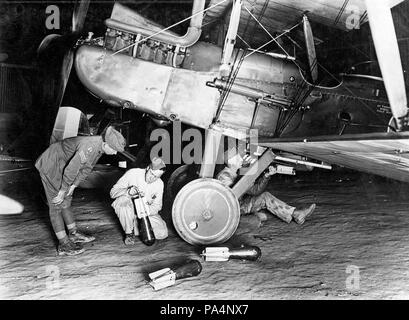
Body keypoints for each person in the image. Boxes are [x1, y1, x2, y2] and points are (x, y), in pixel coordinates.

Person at [35, 126, 126, 256]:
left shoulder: (99, 147)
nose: (116, 153)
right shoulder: (90, 146)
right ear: (106, 144)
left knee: (66, 200)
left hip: (62, 164)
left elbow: (86, 168)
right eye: (115, 149)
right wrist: (62, 190)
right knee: (56, 204)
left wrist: (73, 186)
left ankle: (73, 234)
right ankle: (63, 244)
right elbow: (71, 169)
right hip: (51, 164)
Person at [216, 147, 316, 225]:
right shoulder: (224, 176)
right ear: (231, 162)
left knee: (265, 196)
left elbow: (255, 190)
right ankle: (247, 219)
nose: (241, 160)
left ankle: (296, 214)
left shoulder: (234, 174)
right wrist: (248, 172)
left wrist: (266, 175)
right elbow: (231, 198)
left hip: (241, 205)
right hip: (233, 211)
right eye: (238, 158)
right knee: (261, 214)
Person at [110, 157, 168, 245]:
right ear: (148, 168)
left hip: (145, 213)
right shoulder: (133, 173)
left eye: (156, 177)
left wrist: (144, 212)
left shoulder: (159, 184)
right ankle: (129, 233)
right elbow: (113, 193)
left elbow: (157, 206)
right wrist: (128, 192)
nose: (152, 179)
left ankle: (134, 225)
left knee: (162, 234)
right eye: (151, 174)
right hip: (129, 209)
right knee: (121, 201)